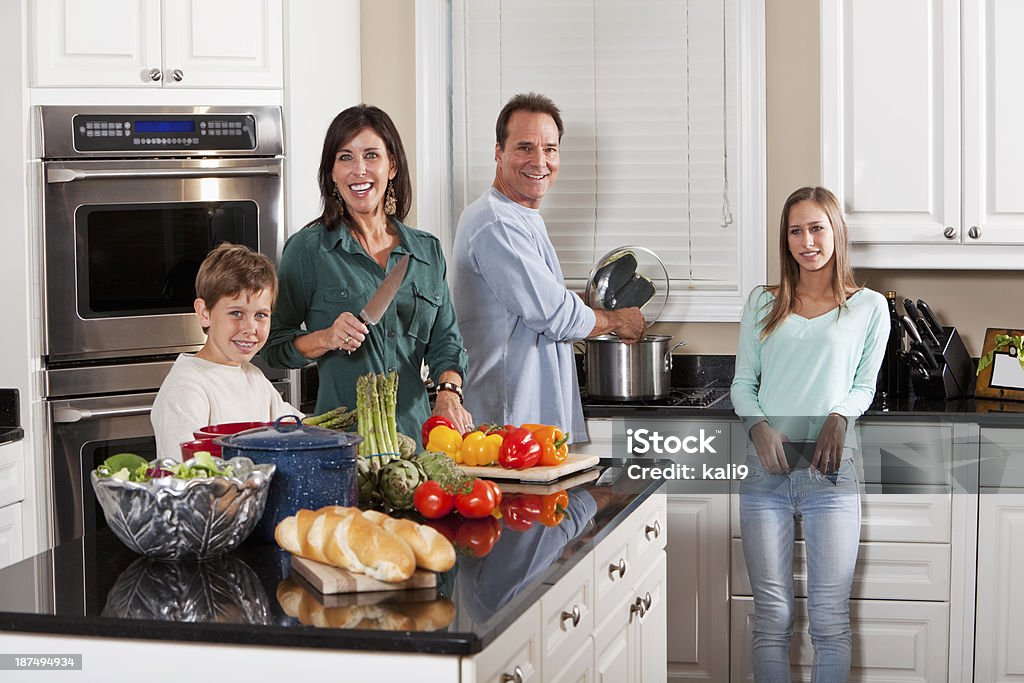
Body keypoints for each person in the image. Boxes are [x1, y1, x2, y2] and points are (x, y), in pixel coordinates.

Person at [730, 186, 889, 682]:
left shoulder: (869, 307)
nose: (807, 241)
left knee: (829, 621)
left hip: (831, 476)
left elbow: (864, 386)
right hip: (766, 476)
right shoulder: (763, 302)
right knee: (772, 619)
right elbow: (742, 383)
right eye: (796, 230)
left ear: (836, 232)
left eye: (817, 227)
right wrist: (756, 426)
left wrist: (839, 417)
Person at [263, 105, 471, 441]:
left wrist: (449, 392)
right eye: (345, 158)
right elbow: (271, 345)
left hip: (416, 444)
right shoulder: (308, 251)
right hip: (344, 443)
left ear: (392, 166)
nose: (359, 170)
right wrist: (325, 338)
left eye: (371, 155)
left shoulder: (425, 251)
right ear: (331, 173)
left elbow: (447, 343)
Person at [451, 92, 645, 441]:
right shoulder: (496, 222)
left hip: (529, 425)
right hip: (508, 425)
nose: (540, 161)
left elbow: (540, 299)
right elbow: (553, 314)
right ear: (499, 152)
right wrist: (619, 322)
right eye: (525, 147)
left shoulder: (520, 216)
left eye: (550, 149)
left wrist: (584, 303)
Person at [151, 243, 300, 461]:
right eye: (237, 313)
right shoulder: (187, 388)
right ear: (204, 313)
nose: (250, 328)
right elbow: (187, 474)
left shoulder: (254, 378)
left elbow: (296, 429)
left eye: (260, 315)